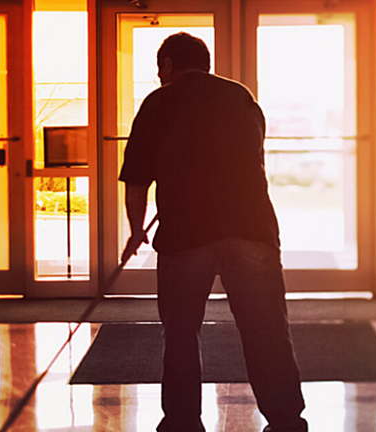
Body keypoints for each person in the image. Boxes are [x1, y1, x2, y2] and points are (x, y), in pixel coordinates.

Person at [118, 32, 308, 432]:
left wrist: (136, 231)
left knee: (182, 333)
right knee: (267, 331)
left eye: (159, 67)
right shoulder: (240, 97)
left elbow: (136, 180)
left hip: (186, 235)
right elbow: (250, 158)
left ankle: (183, 421)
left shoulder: (158, 103)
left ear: (168, 64)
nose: (158, 75)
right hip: (251, 228)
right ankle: (287, 418)